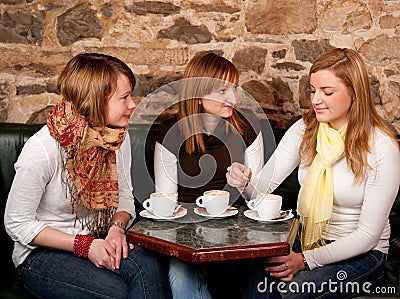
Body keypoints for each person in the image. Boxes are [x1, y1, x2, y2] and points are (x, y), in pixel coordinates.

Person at [227, 48, 400, 298]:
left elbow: (367, 236)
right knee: (255, 289)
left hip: (363, 255)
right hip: (304, 239)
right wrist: (243, 181)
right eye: (312, 90)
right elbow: (260, 192)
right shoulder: (305, 129)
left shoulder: (382, 147)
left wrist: (305, 260)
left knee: (291, 295)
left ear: (355, 93)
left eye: (327, 92)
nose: (316, 100)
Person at [4, 53, 171, 299]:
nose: (133, 104)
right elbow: (16, 224)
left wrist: (116, 229)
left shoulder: (116, 138)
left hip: (102, 237)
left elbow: (124, 197)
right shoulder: (43, 149)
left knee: (149, 268)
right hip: (43, 254)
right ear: (94, 102)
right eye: (124, 97)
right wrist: (85, 245)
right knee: (122, 294)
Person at [154, 51, 264, 298]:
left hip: (237, 231)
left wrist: (245, 182)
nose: (233, 98)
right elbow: (166, 198)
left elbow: (259, 199)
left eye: (234, 88)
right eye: (222, 91)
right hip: (186, 232)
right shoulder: (170, 132)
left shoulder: (248, 127)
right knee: (181, 273)